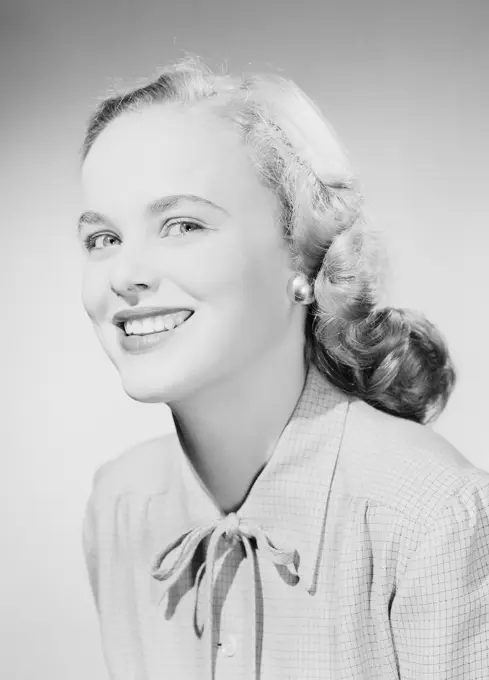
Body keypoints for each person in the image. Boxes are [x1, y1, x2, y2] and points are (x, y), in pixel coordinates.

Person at [80, 56, 489, 680]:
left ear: (302, 255)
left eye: (181, 224)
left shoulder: (431, 513)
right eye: (102, 238)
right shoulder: (120, 504)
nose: (123, 273)